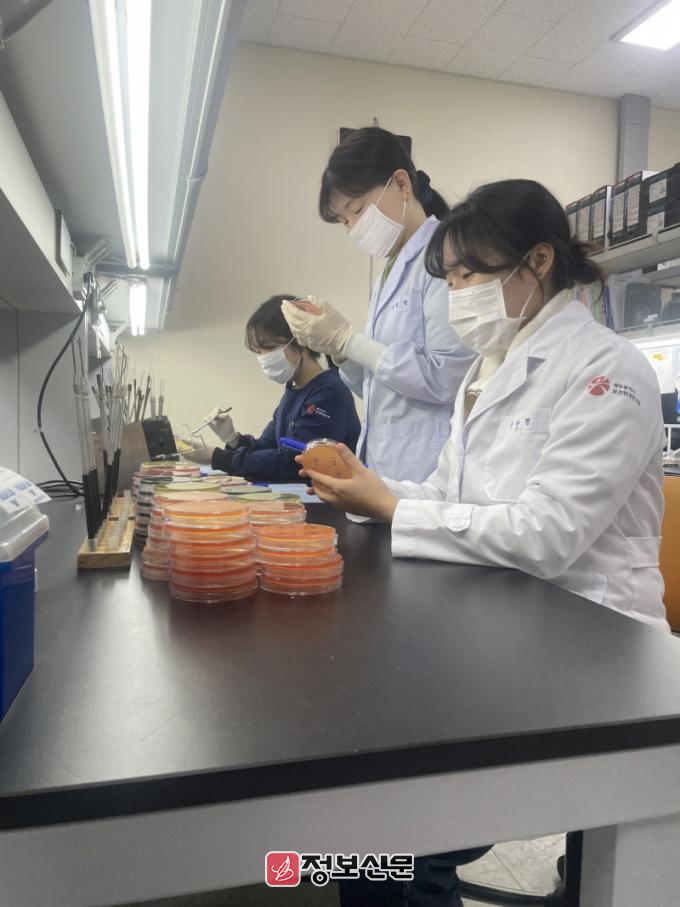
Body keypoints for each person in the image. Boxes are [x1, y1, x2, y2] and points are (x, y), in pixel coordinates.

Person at [298, 179, 670, 905]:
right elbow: (447, 491)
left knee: (380, 841)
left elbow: (549, 533)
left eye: (470, 273)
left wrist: (393, 510)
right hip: (506, 625)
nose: (457, 294)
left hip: (594, 647)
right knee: (361, 772)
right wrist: (371, 488)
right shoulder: (487, 367)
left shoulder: (608, 369)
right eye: (451, 278)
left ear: (539, 260)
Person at [283, 126, 474, 484]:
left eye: (357, 210)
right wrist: (339, 352)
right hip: (385, 470)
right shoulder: (388, 273)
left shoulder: (445, 256)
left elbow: (447, 378)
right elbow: (374, 389)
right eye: (344, 221)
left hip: (427, 470)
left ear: (402, 184)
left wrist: (348, 340)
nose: (353, 228)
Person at [182, 294, 360, 482]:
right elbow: (266, 449)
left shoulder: (329, 393)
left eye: (268, 347)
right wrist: (233, 439)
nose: (263, 358)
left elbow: (295, 463)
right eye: (258, 352)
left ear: (301, 340)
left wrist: (216, 458)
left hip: (326, 499)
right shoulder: (293, 391)